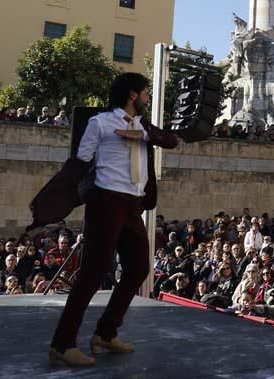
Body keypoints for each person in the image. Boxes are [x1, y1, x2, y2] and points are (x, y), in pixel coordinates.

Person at [48, 73, 180, 367]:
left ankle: (106, 332)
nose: (148, 97)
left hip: (133, 205)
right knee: (92, 274)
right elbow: (81, 161)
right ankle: (62, 343)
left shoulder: (142, 125)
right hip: (106, 201)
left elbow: (172, 140)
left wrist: (142, 135)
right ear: (132, 95)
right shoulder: (101, 123)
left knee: (138, 269)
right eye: (146, 92)